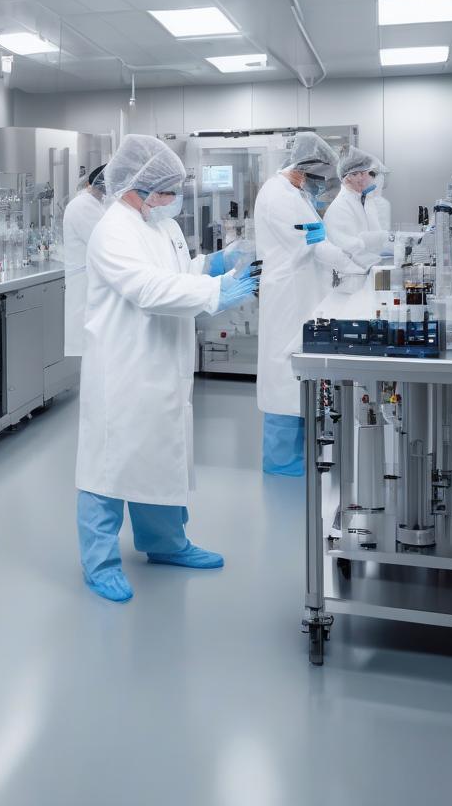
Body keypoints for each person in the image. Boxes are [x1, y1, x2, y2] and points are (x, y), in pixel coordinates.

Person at [75, 135, 259, 602]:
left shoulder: (158, 224)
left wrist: (213, 264)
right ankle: (99, 563)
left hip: (162, 363)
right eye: (168, 190)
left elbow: (179, 269)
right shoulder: (113, 229)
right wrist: (217, 293)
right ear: (140, 188)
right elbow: (148, 289)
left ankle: (166, 543)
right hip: (124, 366)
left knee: (160, 453)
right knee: (109, 463)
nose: (175, 199)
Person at [254, 133, 374, 477]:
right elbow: (314, 244)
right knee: (283, 372)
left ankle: (299, 452)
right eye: (319, 176)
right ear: (303, 169)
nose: (322, 185)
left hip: (301, 291)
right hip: (288, 295)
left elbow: (317, 240)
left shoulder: (293, 194)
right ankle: (280, 460)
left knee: (296, 370)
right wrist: (353, 266)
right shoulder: (279, 195)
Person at [62, 163, 107, 356]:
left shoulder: (96, 203)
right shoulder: (83, 205)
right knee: (92, 351)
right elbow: (104, 242)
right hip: (85, 286)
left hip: (93, 285)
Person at [324, 146, 394, 260]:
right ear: (353, 175)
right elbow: (349, 248)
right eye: (368, 173)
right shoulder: (340, 207)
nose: (370, 178)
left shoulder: (361, 201)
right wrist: (376, 239)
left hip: (365, 271)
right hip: (351, 274)